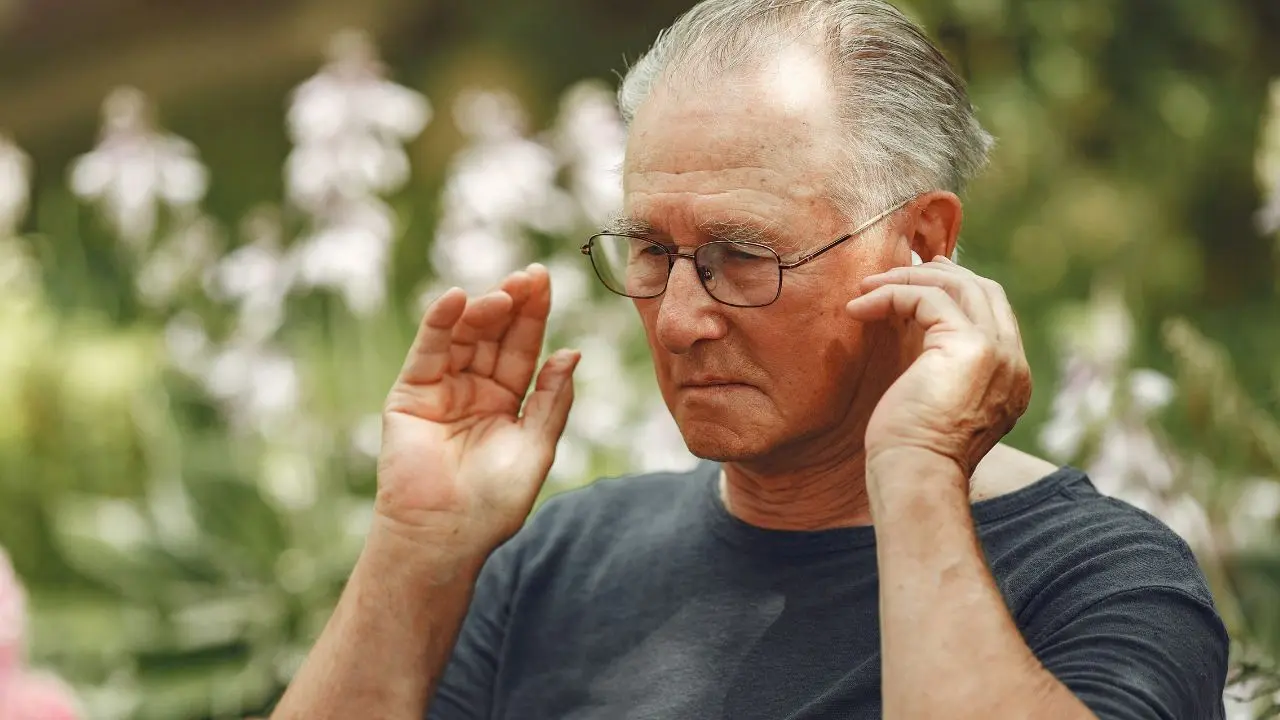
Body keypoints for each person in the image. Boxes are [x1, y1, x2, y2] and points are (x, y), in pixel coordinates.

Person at [270, 1, 1229, 718]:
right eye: (651, 251)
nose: (678, 321)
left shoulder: (1099, 582)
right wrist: (418, 551)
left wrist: (914, 472)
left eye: (742, 256)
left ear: (922, 246)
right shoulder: (559, 564)